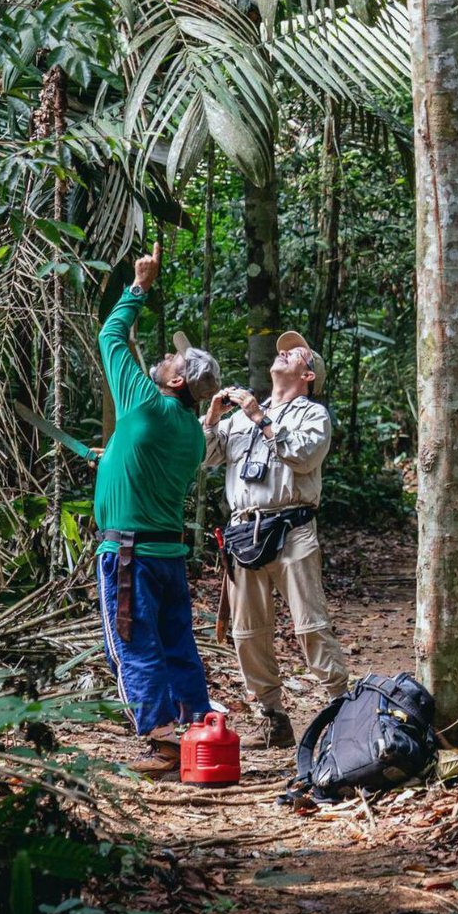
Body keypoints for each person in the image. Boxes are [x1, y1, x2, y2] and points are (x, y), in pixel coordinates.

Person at [95, 243, 222, 775]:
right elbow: (144, 459)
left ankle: (162, 739)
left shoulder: (145, 405)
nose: (163, 359)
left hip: (129, 555)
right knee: (176, 642)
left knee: (132, 644)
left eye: (169, 360)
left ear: (174, 383)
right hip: (167, 555)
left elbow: (109, 337)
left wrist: (139, 285)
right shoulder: (193, 435)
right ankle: (198, 728)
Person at [202, 332, 348, 749]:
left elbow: (303, 456)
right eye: (283, 348)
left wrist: (261, 419)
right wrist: (213, 417)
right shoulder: (241, 417)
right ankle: (272, 715)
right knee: (247, 630)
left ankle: (340, 706)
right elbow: (205, 455)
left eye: (296, 351)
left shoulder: (313, 415)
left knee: (310, 624)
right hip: (242, 530)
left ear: (307, 374)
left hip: (292, 527)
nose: (284, 350)